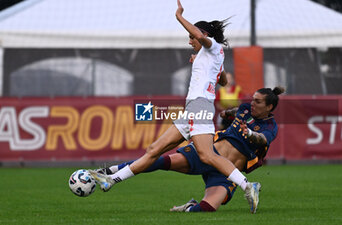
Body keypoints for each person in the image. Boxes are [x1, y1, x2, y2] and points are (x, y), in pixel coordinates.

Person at [89, 0, 260, 213]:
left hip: (200, 107)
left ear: (204, 36)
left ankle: (248, 186)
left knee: (207, 156)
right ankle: (111, 180)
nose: (191, 41)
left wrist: (179, 17)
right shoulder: (211, 55)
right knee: (153, 150)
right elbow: (224, 80)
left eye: (192, 37)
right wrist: (203, 66)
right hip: (192, 110)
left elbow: (200, 37)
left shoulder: (212, 46)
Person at [95, 87, 285, 213]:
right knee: (161, 161)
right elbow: (236, 111)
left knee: (207, 208)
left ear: (269, 106)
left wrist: (250, 134)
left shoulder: (270, 127)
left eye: (258, 102)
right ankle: (107, 172)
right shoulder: (244, 109)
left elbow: (261, 139)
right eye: (253, 99)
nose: (252, 103)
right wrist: (228, 113)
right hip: (207, 153)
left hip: (227, 174)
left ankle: (188, 207)